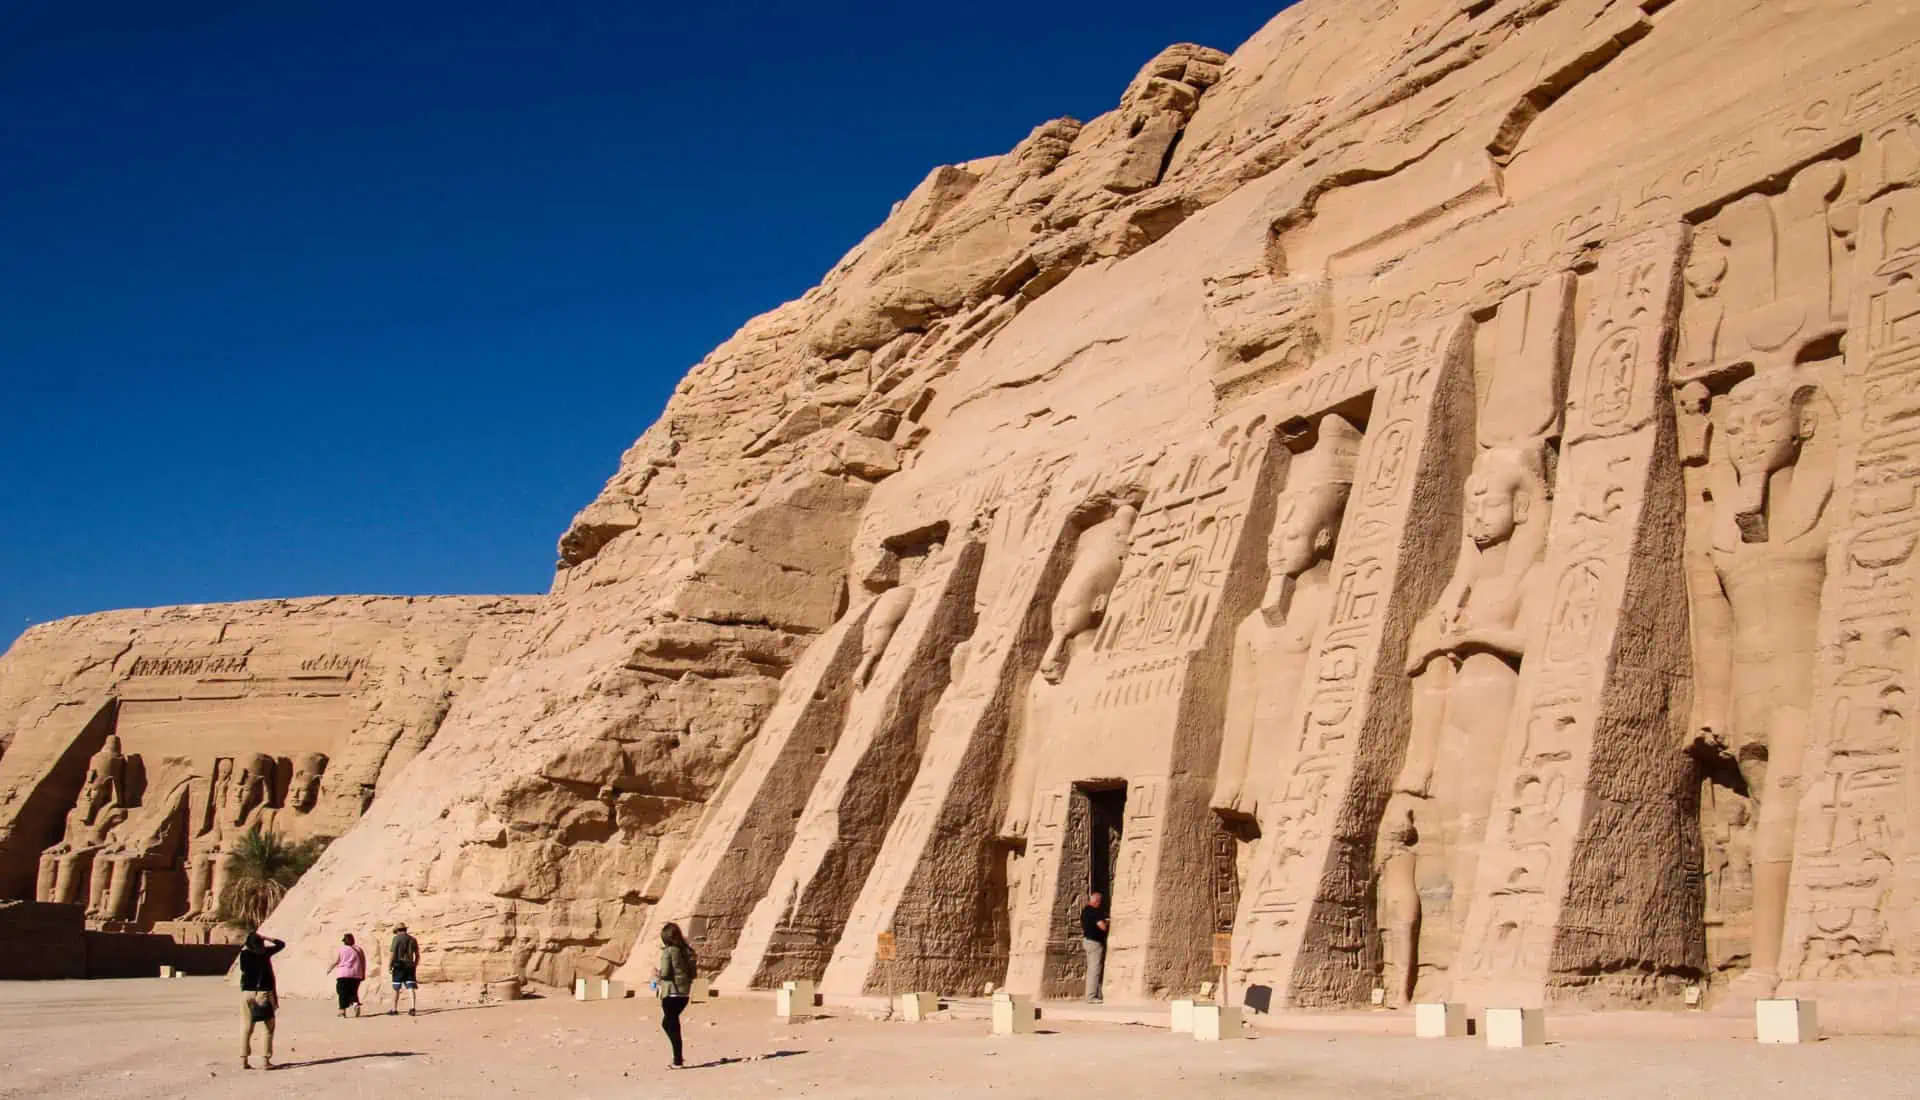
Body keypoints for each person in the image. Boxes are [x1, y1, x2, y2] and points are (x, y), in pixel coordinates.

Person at [652, 922, 698, 1069]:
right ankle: (678, 1058)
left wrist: (657, 975)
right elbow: (693, 974)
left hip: (671, 992)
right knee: (670, 1023)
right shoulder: (687, 951)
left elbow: (665, 973)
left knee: (670, 1024)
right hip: (684, 993)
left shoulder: (669, 951)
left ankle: (677, 1060)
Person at [237, 932, 285, 1070]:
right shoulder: (265, 953)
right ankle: (265, 1060)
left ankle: (243, 1060)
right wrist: (266, 938)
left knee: (246, 1027)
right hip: (263, 993)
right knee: (268, 1028)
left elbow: (243, 969)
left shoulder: (244, 955)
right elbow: (281, 944)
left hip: (246, 992)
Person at [1080, 891, 1109, 1003]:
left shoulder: (1085, 911)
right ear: (1097, 901)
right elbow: (1102, 927)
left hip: (1087, 941)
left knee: (1093, 968)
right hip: (1094, 942)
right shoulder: (1094, 911)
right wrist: (1106, 923)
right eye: (1100, 902)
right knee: (1094, 969)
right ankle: (1091, 997)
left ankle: (1096, 993)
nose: (1100, 904)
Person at [331, 932, 367, 1017]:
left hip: (343, 973)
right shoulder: (359, 949)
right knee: (353, 991)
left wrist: (330, 968)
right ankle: (355, 1004)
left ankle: (342, 1010)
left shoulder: (342, 949)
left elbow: (337, 961)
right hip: (356, 973)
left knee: (342, 992)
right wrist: (363, 974)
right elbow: (363, 962)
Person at [389, 923, 421, 1016]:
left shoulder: (396, 939)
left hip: (399, 965)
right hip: (410, 965)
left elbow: (392, 954)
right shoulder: (413, 939)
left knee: (396, 988)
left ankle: (394, 1009)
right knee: (411, 987)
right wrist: (415, 964)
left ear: (398, 931)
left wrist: (389, 965)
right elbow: (417, 955)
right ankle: (412, 1008)